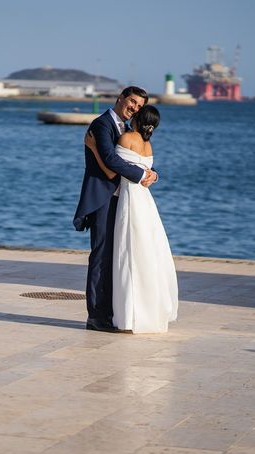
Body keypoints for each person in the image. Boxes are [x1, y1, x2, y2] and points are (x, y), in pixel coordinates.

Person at [85, 104, 178, 333]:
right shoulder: (147, 144)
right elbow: (145, 167)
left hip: (128, 199)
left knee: (126, 254)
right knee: (146, 253)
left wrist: (93, 147)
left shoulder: (127, 138)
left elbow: (110, 170)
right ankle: (145, 311)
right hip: (145, 202)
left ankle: (123, 313)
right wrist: (152, 175)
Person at [73, 86, 158, 332]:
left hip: (123, 201)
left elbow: (135, 157)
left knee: (118, 257)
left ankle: (113, 312)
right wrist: (142, 175)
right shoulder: (102, 125)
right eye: (132, 102)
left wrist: (152, 173)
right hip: (103, 199)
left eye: (139, 106)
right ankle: (96, 316)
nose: (134, 108)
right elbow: (110, 162)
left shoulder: (129, 130)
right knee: (100, 257)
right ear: (120, 98)